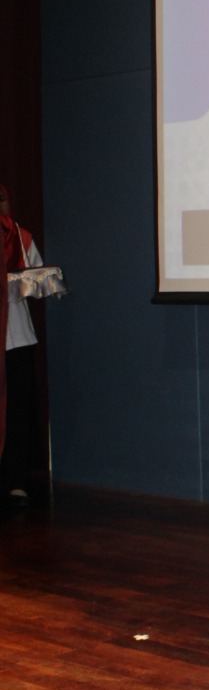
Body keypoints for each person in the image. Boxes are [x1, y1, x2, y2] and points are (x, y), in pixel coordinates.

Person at [1, 183, 44, 510]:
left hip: (15, 336)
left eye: (1, 198)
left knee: (17, 410)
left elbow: (38, 281)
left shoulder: (20, 236)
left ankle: (15, 479)